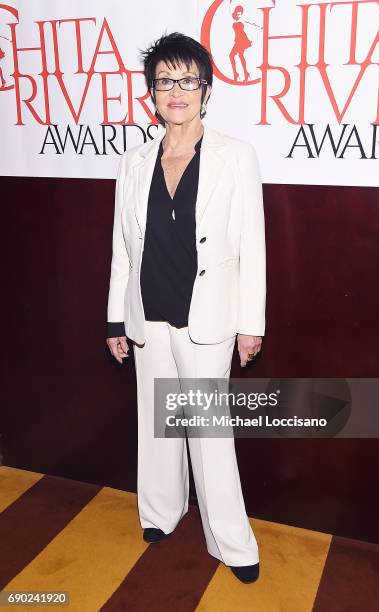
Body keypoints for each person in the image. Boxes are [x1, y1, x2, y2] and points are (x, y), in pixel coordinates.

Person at [106, 32, 266, 584]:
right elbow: (123, 247)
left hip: (208, 318)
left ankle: (231, 540)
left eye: (187, 80)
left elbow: (253, 245)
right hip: (147, 312)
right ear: (151, 92)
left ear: (206, 88)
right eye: (165, 81)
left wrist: (251, 323)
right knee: (156, 424)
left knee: (207, 431)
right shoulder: (134, 162)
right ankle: (160, 511)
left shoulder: (235, 156)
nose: (177, 91)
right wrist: (114, 318)